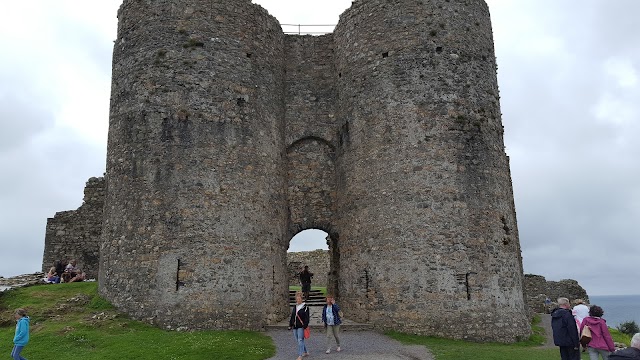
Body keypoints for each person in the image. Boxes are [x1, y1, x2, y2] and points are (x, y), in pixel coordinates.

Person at [288, 291, 309, 360]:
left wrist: (305, 326)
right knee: (298, 340)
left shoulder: (305, 307)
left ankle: (300, 355)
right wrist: (290, 324)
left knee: (300, 340)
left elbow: (307, 317)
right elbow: (293, 316)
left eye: (299, 298)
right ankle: (305, 351)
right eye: (297, 299)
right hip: (295, 326)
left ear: (301, 299)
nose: (298, 300)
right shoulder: (295, 306)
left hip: (301, 326)